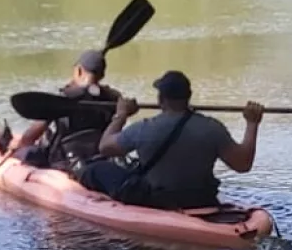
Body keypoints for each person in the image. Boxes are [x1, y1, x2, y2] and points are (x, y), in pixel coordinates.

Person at [79, 70, 263, 210]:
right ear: (188, 97)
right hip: (201, 199)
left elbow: (104, 147)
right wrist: (252, 123)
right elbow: (243, 165)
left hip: (157, 201)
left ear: (160, 99)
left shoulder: (145, 128)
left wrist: (121, 115)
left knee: (96, 169)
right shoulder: (212, 128)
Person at [2, 49, 123, 171]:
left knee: (25, 152)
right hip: (98, 157)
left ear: (79, 71)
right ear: (102, 75)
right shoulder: (114, 98)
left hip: (63, 161)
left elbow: (30, 137)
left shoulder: (62, 98)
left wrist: (17, 146)